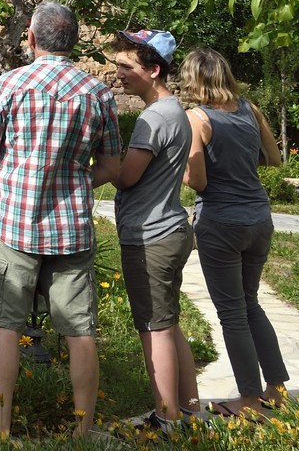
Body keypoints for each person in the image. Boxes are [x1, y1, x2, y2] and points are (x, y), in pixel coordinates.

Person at [0, 1, 123, 441]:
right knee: (80, 330)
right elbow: (112, 167)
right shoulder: (98, 93)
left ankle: (1, 433)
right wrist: (74, 184)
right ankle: (83, 432)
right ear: (73, 40)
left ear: (32, 37)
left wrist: (13, 186)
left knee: (6, 326)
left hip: (13, 227)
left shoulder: (9, 84)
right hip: (71, 230)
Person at [182, 47, 289, 420]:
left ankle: (248, 401)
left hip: (221, 222)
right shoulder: (250, 109)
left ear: (193, 79)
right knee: (250, 303)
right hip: (259, 217)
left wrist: (181, 170)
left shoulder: (196, 118)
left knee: (232, 313)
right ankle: (276, 390)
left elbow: (198, 180)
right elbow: (274, 158)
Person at [110, 29, 198, 432]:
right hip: (171, 230)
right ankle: (189, 410)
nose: (118, 74)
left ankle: (166, 419)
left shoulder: (153, 118)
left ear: (154, 70)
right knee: (169, 325)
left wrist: (99, 156)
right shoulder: (174, 110)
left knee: (154, 329)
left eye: (127, 66)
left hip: (151, 238)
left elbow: (127, 176)